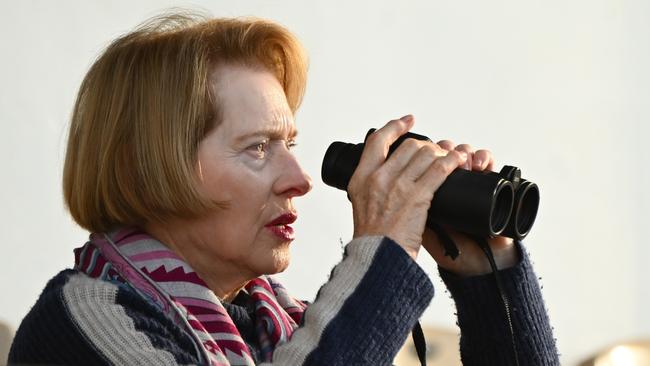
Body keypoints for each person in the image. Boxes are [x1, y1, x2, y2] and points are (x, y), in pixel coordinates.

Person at [8, 13, 559, 366]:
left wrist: (488, 275)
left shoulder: (275, 326)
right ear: (152, 167)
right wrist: (383, 255)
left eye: (290, 143)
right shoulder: (88, 325)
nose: (300, 179)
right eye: (257, 148)